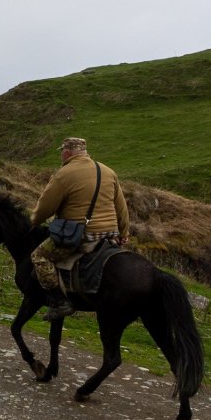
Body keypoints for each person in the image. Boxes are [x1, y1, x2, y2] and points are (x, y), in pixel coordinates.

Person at [30, 137, 129, 321]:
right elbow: (121, 208)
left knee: (39, 256)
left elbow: (45, 207)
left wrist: (34, 221)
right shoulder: (108, 171)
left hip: (81, 235)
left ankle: (60, 302)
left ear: (67, 152)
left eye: (62, 151)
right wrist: (124, 234)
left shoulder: (64, 173)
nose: (61, 155)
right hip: (109, 235)